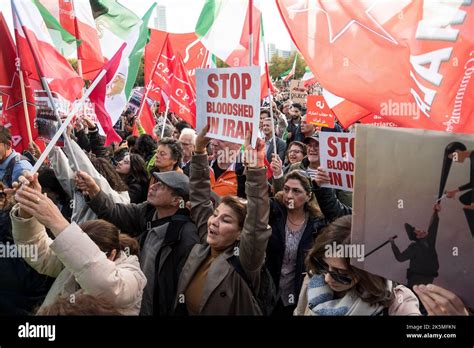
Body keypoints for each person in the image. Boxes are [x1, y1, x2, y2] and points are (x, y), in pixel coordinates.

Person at [11, 172, 146, 315]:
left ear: (112, 254)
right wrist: (28, 208)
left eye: (85, 252)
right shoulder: (73, 262)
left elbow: (107, 287)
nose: (78, 258)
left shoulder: (132, 277)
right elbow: (36, 250)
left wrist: (58, 223)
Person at [174, 125, 271, 315]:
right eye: (215, 214)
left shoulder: (245, 261)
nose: (214, 222)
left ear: (240, 232)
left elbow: (257, 222)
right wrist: (200, 150)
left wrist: (257, 168)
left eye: (226, 220)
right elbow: (200, 198)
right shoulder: (206, 242)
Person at [76, 170, 199, 316]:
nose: (153, 186)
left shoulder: (186, 235)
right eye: (155, 182)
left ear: (176, 201)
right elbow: (115, 212)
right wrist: (94, 190)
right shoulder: (147, 211)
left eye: (162, 186)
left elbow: (183, 288)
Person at [266, 167, 351, 316]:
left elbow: (337, 216)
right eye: (286, 189)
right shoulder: (273, 212)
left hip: (298, 294)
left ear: (308, 196)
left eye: (296, 191)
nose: (289, 195)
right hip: (269, 292)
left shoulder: (317, 224)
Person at [294, 215, 421, 315]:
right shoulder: (313, 279)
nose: (327, 278)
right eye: (324, 266)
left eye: (342, 274)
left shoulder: (397, 301)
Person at [390, 204, 441, 288]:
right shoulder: (414, 248)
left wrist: (435, 212)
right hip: (416, 279)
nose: (423, 230)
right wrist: (393, 244)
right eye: (419, 231)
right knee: (416, 296)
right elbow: (400, 257)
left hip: (429, 277)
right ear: (417, 236)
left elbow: (433, 226)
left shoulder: (430, 242)